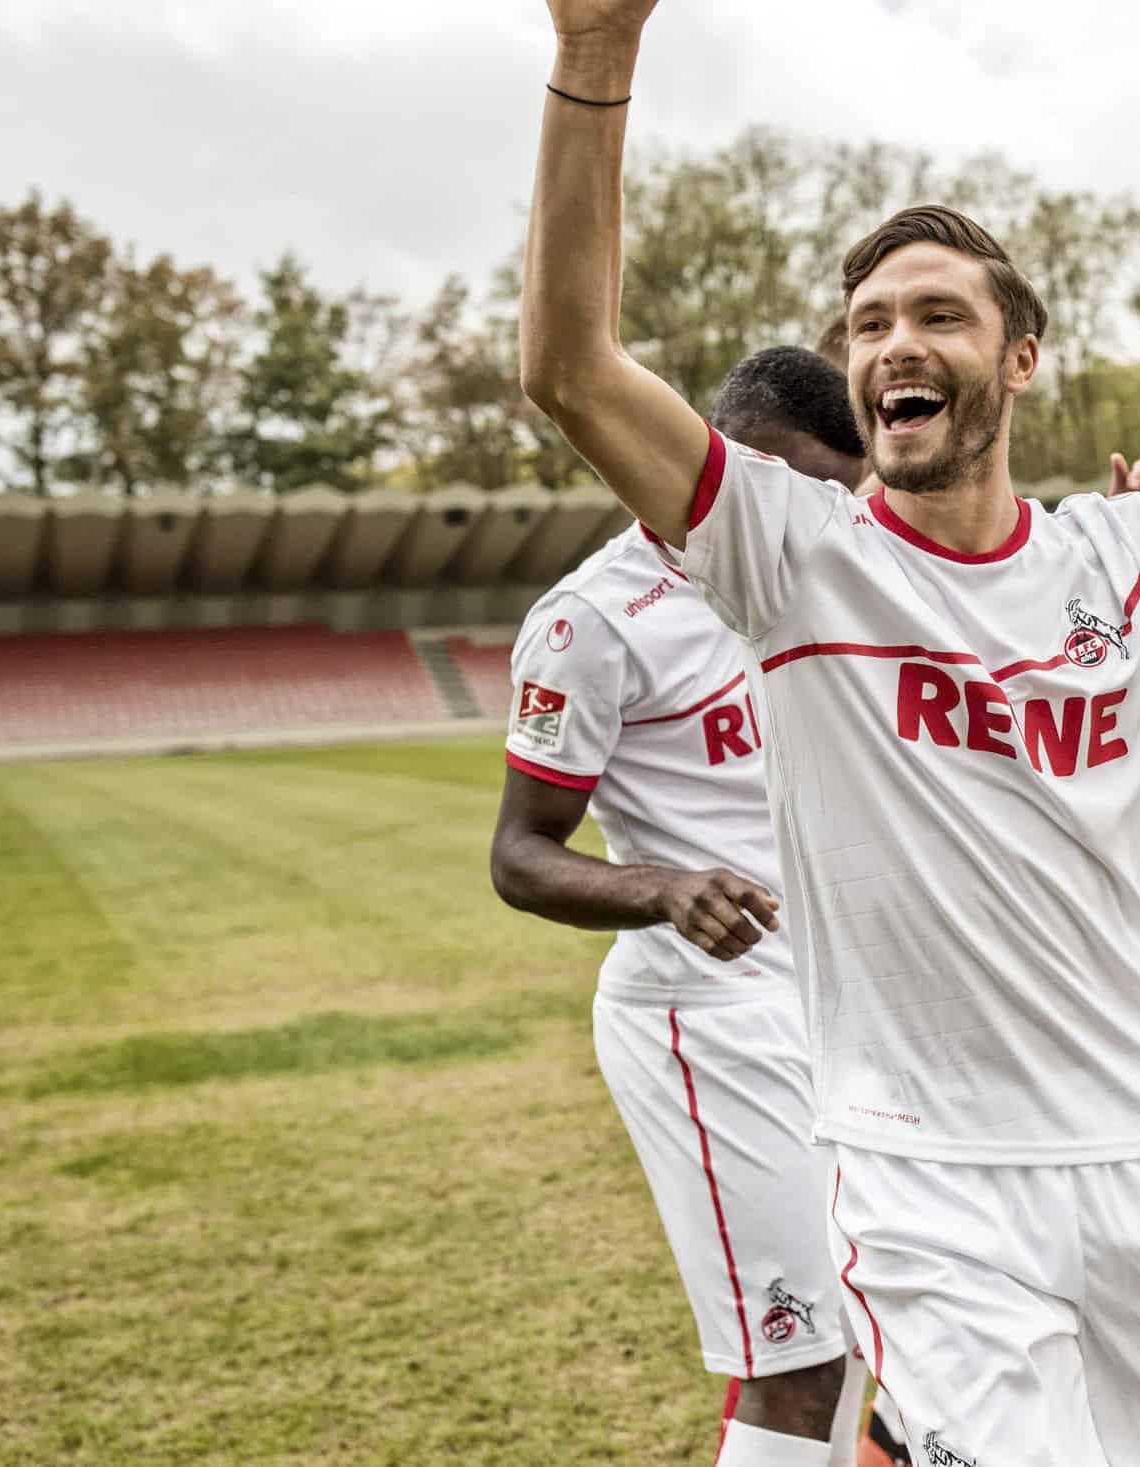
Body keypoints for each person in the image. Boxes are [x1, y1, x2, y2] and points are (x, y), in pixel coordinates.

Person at [515, 0, 1140, 1459]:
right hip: (930, 1186)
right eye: (869, 324)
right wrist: (596, 61)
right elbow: (572, 370)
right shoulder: (793, 556)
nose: (895, 344)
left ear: (1021, 357)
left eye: (937, 314)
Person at [489, 345, 870, 1467]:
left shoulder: (832, 571)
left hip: (843, 1002)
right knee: (796, 1362)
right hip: (709, 1023)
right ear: (731, 461)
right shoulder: (595, 620)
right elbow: (518, 854)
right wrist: (662, 886)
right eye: (807, 483)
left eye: (843, 490)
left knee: (881, 1325)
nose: (830, 512)